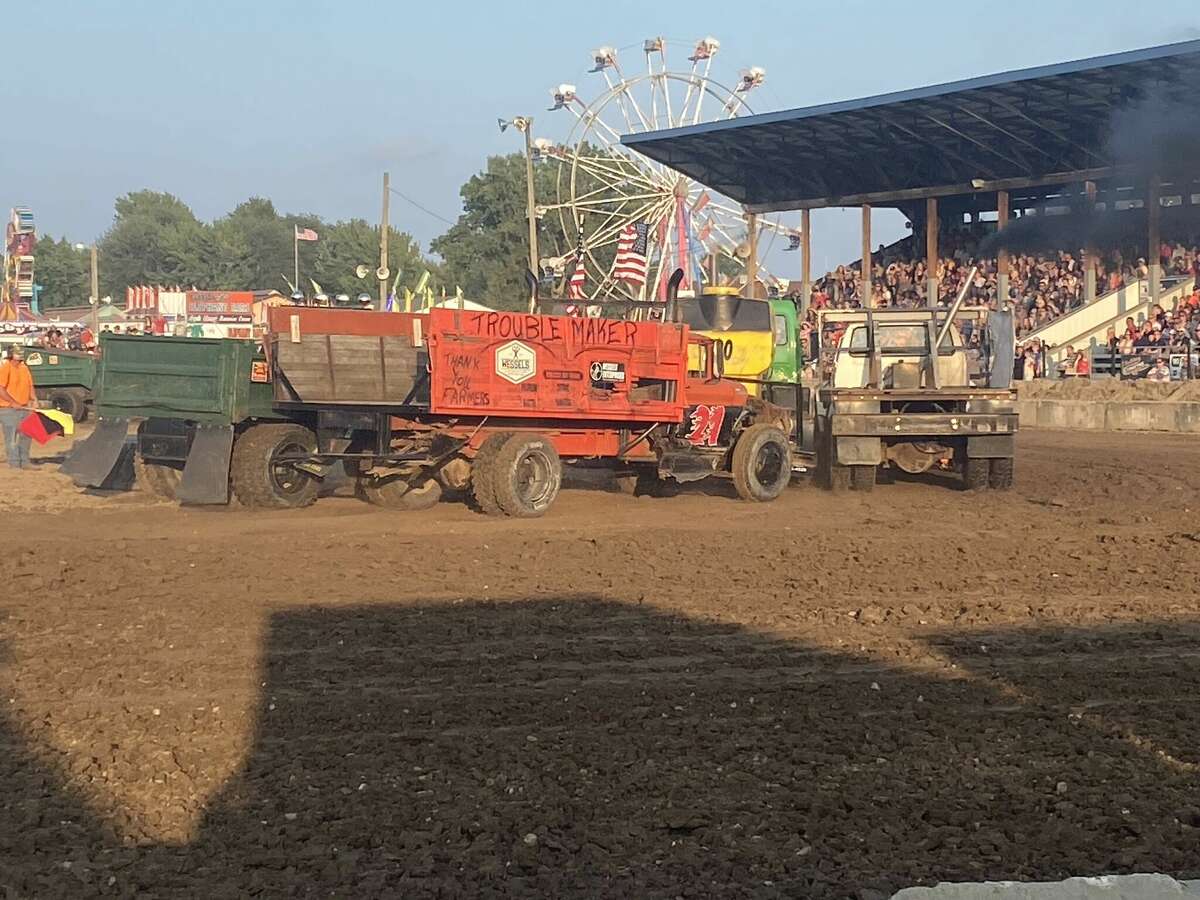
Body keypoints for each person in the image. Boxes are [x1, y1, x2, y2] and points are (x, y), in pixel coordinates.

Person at [0, 344, 38, 468]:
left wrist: (34, 399)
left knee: (27, 435)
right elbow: (1, 388)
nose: (21, 354)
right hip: (8, 409)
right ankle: (15, 463)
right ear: (11, 354)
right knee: (11, 437)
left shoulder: (24, 368)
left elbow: (30, 385)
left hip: (24, 407)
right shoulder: (6, 367)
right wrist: (12, 402)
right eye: (18, 352)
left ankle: (25, 461)